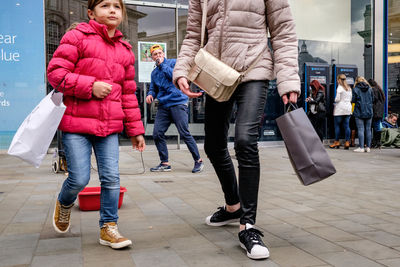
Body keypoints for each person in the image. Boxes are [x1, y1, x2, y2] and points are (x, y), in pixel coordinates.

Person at [173, 0, 300, 260]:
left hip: (254, 68)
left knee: (244, 141)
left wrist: (287, 79)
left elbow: (283, 32)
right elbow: (193, 34)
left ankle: (248, 226)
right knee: (213, 145)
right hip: (216, 71)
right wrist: (181, 70)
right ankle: (233, 207)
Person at [47, 0, 145, 249]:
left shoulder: (125, 49)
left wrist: (135, 130)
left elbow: (129, 94)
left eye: (117, 6)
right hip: (76, 125)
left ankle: (108, 228)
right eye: (105, 5)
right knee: (79, 179)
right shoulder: (77, 37)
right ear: (91, 13)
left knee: (111, 179)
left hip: (109, 127)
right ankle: (65, 202)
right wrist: (90, 86)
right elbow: (56, 73)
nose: (112, 10)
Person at [146, 44, 204, 173]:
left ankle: (198, 160)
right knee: (157, 133)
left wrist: (162, 65)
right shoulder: (154, 73)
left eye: (160, 53)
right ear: (152, 57)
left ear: (164, 54)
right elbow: (153, 88)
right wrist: (150, 94)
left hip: (178, 102)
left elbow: (174, 76)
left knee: (184, 133)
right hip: (163, 105)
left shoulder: (174, 63)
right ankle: (164, 163)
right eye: (155, 54)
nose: (158, 56)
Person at [330, 74, 352, 149]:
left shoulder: (339, 88)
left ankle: (336, 142)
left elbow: (337, 99)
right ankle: (347, 142)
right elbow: (350, 98)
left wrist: (334, 101)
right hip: (348, 108)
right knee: (347, 126)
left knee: (337, 126)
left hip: (340, 109)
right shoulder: (349, 88)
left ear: (338, 80)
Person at [352, 76, 374, 152]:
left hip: (359, 111)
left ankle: (361, 147)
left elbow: (353, 100)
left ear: (356, 81)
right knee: (368, 129)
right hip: (369, 111)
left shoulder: (355, 89)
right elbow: (373, 99)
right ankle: (368, 147)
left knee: (361, 129)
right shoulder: (370, 89)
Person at [368, 79, 385, 148]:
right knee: (377, 126)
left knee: (375, 127)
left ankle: (375, 142)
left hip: (375, 111)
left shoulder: (373, 90)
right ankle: (378, 142)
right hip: (380, 111)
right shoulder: (379, 89)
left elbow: (373, 100)